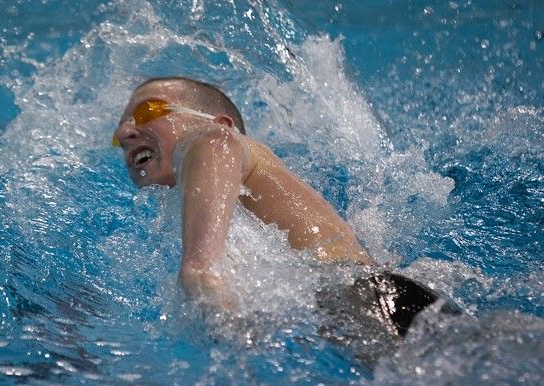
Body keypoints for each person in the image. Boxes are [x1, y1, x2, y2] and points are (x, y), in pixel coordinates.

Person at [112, 76, 459, 337]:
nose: (126, 132)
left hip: (369, 302)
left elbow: (213, 142)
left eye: (149, 111)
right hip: (350, 316)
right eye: (119, 132)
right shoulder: (192, 208)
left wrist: (199, 274)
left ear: (216, 119)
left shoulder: (212, 140)